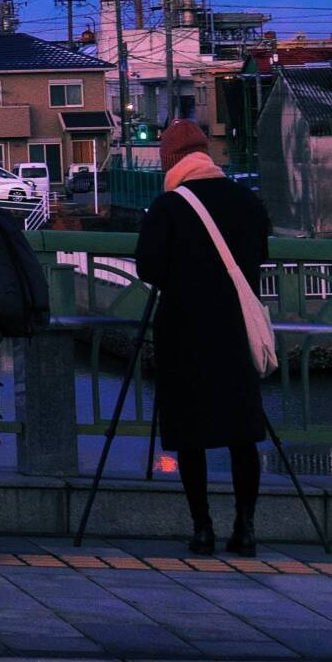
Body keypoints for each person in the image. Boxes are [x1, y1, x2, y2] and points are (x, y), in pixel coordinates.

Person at [135, 119, 271, 556]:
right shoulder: (246, 201)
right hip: (236, 329)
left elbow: (149, 270)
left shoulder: (168, 207)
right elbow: (260, 254)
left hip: (185, 329)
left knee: (190, 432)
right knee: (242, 430)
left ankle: (202, 528)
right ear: (206, 154)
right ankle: (247, 527)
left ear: (171, 161)